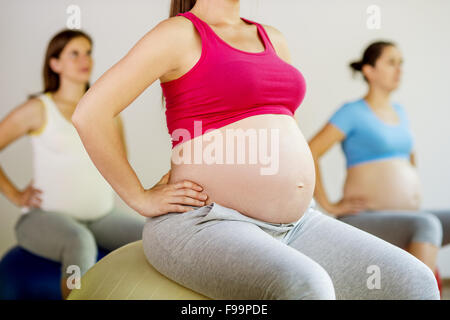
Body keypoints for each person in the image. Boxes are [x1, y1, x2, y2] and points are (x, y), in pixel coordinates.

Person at [72, 0, 440, 299]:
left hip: (297, 223)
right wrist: (138, 195)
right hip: (205, 222)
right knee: (307, 287)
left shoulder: (273, 39)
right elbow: (91, 113)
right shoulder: (180, 33)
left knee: (415, 282)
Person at [0, 29, 145, 299]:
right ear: (55, 64)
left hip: (102, 218)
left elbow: (119, 166)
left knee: (152, 237)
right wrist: (16, 194)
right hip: (45, 220)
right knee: (79, 242)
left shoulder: (106, 111)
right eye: (74, 53)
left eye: (88, 52)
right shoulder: (39, 109)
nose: (84, 59)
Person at [308, 40, 449, 274]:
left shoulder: (401, 112)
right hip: (365, 218)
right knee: (427, 224)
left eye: (401, 63)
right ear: (369, 70)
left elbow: (408, 160)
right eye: (391, 62)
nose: (399, 69)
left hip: (407, 216)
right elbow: (310, 151)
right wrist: (328, 204)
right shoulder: (351, 112)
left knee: (426, 223)